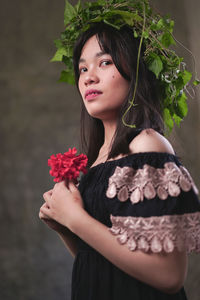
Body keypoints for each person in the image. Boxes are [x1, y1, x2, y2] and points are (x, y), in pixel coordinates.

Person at [39, 1, 200, 299]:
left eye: (105, 62)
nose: (88, 77)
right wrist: (64, 225)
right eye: (83, 68)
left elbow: (169, 277)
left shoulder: (146, 143)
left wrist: (76, 218)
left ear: (136, 69)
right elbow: (103, 263)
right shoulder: (97, 159)